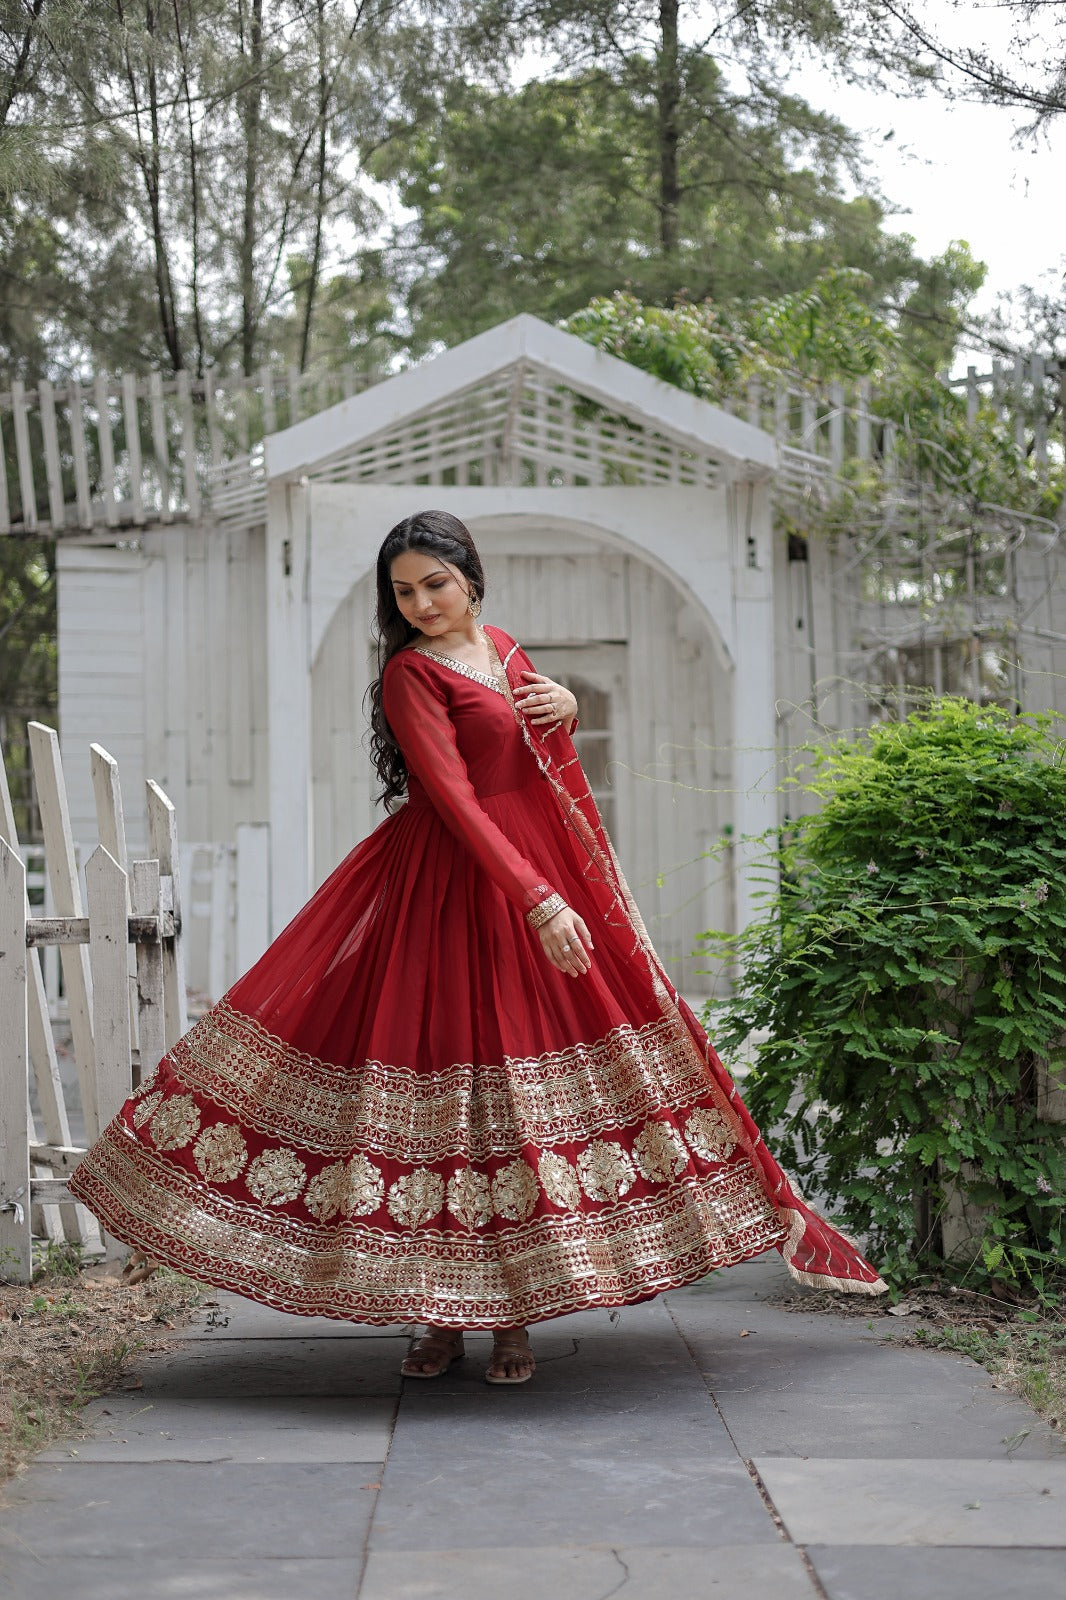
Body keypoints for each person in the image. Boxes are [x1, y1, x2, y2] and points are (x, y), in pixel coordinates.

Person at [68, 509, 884, 1387]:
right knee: (445, 1094)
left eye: (435, 584)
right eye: (403, 591)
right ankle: (436, 1317)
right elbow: (455, 799)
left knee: (519, 1103)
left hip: (538, 877)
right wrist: (535, 898)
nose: (420, 603)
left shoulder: (502, 647)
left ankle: (514, 1322)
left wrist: (564, 706)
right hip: (452, 890)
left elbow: (535, 759)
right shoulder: (412, 676)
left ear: (471, 578)